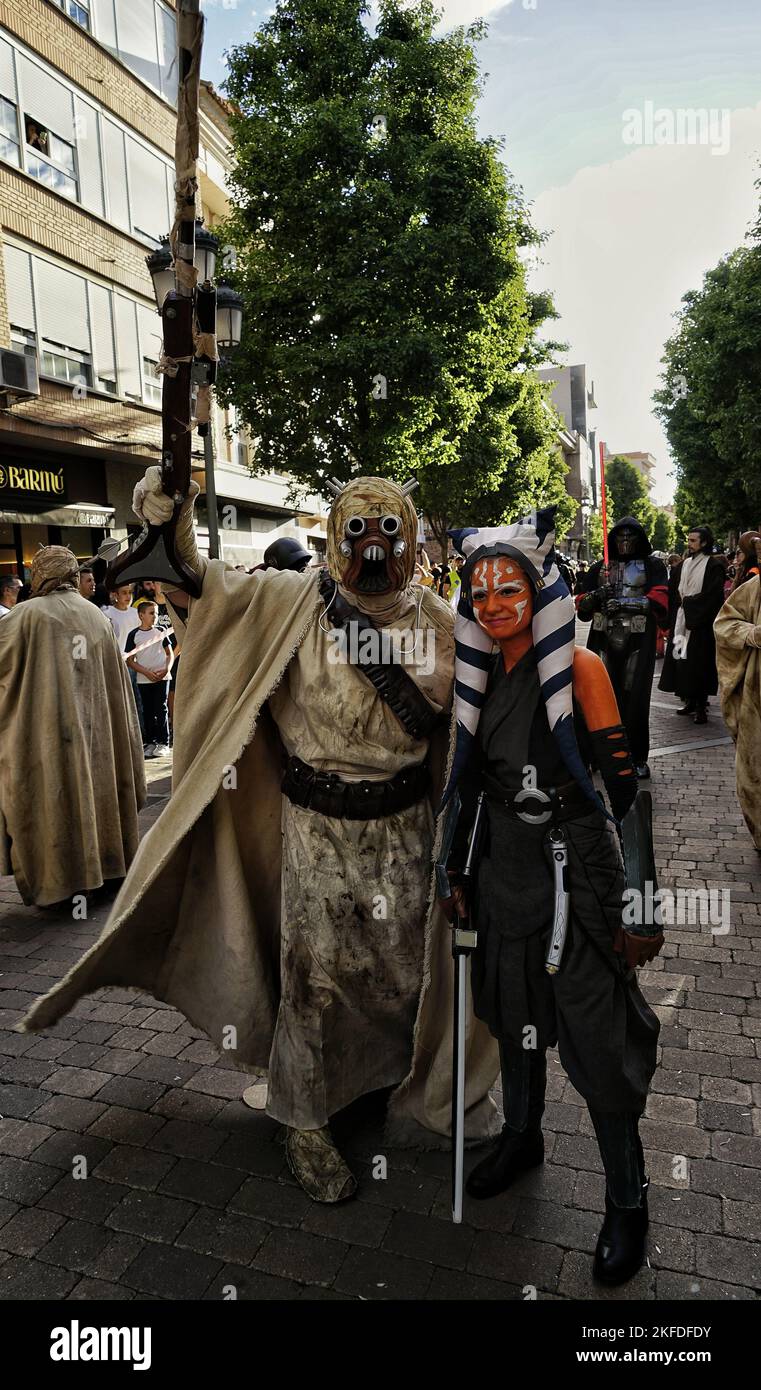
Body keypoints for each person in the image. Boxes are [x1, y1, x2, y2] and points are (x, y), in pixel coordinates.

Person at [23, 467, 499, 1203]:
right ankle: (304, 1118)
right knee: (314, 978)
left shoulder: (443, 623)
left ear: (409, 539)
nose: (373, 545)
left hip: (408, 830)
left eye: (388, 530)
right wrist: (169, 511)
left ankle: (376, 1082)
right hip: (316, 829)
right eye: (356, 530)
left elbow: (485, 725)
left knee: (404, 973)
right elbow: (197, 585)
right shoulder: (287, 604)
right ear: (335, 540)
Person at [439, 510, 661, 1286]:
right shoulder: (475, 675)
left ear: (539, 592)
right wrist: (456, 874)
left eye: (511, 589)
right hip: (505, 869)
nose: (496, 603)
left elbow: (628, 794)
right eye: (482, 591)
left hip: (578, 873)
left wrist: (641, 903)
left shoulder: (580, 668)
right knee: (511, 1011)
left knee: (596, 1042)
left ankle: (626, 1199)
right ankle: (522, 1134)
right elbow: (464, 789)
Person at [0, 546, 146, 907]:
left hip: (45, 734)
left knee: (54, 799)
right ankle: (107, 869)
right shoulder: (95, 616)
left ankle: (58, 886)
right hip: (97, 733)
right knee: (96, 791)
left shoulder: (25, 615)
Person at [576, 518, 669, 777]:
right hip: (602, 639)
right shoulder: (599, 568)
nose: (625, 542)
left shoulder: (652, 566)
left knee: (635, 700)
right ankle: (595, 755)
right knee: (597, 697)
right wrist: (596, 597)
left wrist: (627, 604)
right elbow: (581, 604)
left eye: (631, 537)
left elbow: (660, 598)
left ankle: (636, 757)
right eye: (620, 537)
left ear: (639, 538)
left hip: (637, 640)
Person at [659, 526, 726, 724]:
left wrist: (689, 604)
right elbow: (673, 592)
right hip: (681, 623)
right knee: (681, 660)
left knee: (699, 665)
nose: (689, 544)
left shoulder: (713, 566)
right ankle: (688, 700)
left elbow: (713, 596)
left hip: (700, 625)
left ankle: (700, 706)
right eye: (688, 540)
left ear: (704, 542)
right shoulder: (683, 564)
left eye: (693, 540)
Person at [714, 573, 761, 851]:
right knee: (754, 768)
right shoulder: (755, 588)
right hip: (757, 698)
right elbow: (724, 623)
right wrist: (751, 634)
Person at [125, 599, 173, 758]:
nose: (155, 616)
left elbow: (169, 653)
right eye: (152, 613)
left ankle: (163, 743)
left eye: (157, 613)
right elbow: (130, 660)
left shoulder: (161, 630)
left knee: (161, 708)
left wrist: (166, 669)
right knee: (147, 710)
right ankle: (151, 742)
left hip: (162, 678)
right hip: (143, 679)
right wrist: (146, 672)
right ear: (141, 615)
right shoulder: (134, 634)